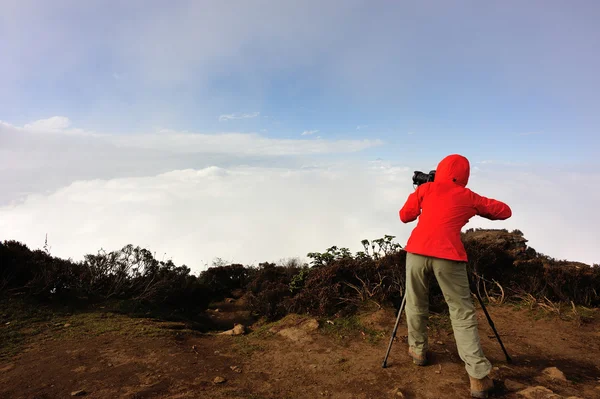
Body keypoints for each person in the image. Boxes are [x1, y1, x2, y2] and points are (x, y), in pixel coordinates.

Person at [399, 154, 512, 399]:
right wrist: (479, 210)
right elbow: (504, 212)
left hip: (417, 252)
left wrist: (421, 191)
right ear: (464, 176)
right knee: (461, 312)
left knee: (416, 302)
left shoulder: (426, 189)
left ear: (438, 170)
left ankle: (417, 351)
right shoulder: (468, 196)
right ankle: (478, 378)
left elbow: (405, 216)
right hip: (449, 257)